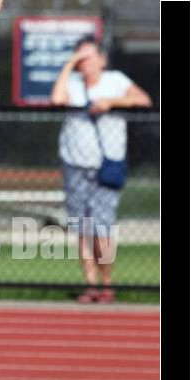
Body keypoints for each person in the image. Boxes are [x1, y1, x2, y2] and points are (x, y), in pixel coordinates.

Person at [50, 36, 151, 304]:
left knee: (102, 227)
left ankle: (107, 282)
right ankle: (91, 284)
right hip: (74, 165)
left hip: (106, 166)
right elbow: (57, 98)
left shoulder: (115, 80)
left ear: (102, 59)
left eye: (89, 57)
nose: (85, 62)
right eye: (79, 57)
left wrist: (111, 103)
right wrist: (70, 64)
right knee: (81, 228)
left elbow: (142, 100)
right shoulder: (73, 83)